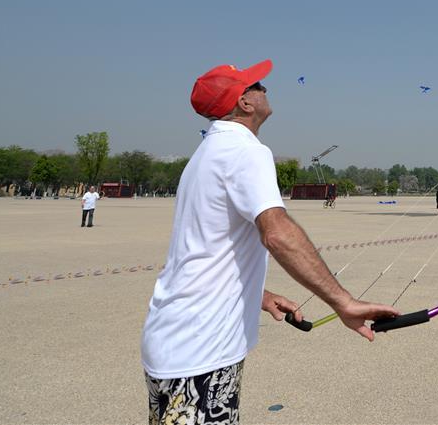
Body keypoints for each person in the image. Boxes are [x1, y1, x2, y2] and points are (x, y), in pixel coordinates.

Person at [141, 60, 398, 424]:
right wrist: (344, 302)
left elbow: (205, 246)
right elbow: (277, 233)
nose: (265, 89)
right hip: (200, 351)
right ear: (245, 103)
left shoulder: (206, 154)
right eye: (257, 84)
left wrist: (257, 294)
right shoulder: (246, 150)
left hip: (171, 344)